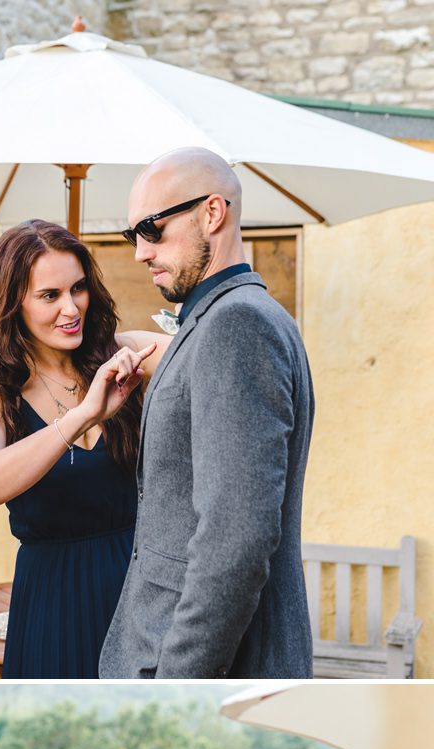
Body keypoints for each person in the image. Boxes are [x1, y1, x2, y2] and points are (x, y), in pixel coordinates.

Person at [99, 147, 314, 679]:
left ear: (212, 213)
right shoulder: (235, 319)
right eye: (132, 236)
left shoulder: (238, 326)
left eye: (152, 229)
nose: (140, 253)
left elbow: (235, 539)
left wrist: (176, 684)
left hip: (201, 671)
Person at [0, 220, 167, 677]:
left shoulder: (123, 353)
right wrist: (81, 417)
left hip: (140, 592)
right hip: (53, 599)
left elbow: (213, 358)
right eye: (49, 296)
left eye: (78, 289)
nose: (71, 309)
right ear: (12, 304)